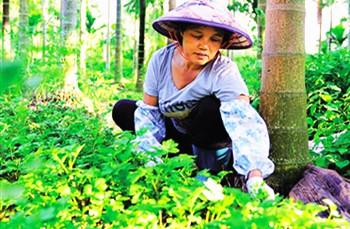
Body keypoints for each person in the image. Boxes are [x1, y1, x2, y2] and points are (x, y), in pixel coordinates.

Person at [112, 0, 275, 200]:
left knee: (210, 106)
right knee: (123, 109)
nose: (204, 46)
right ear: (180, 34)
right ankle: (176, 165)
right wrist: (150, 158)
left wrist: (255, 177)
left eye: (214, 40)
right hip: (178, 137)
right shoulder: (160, 60)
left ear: (222, 44)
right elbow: (148, 113)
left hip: (210, 140)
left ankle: (213, 171)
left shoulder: (223, 70)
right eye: (197, 36)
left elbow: (244, 122)